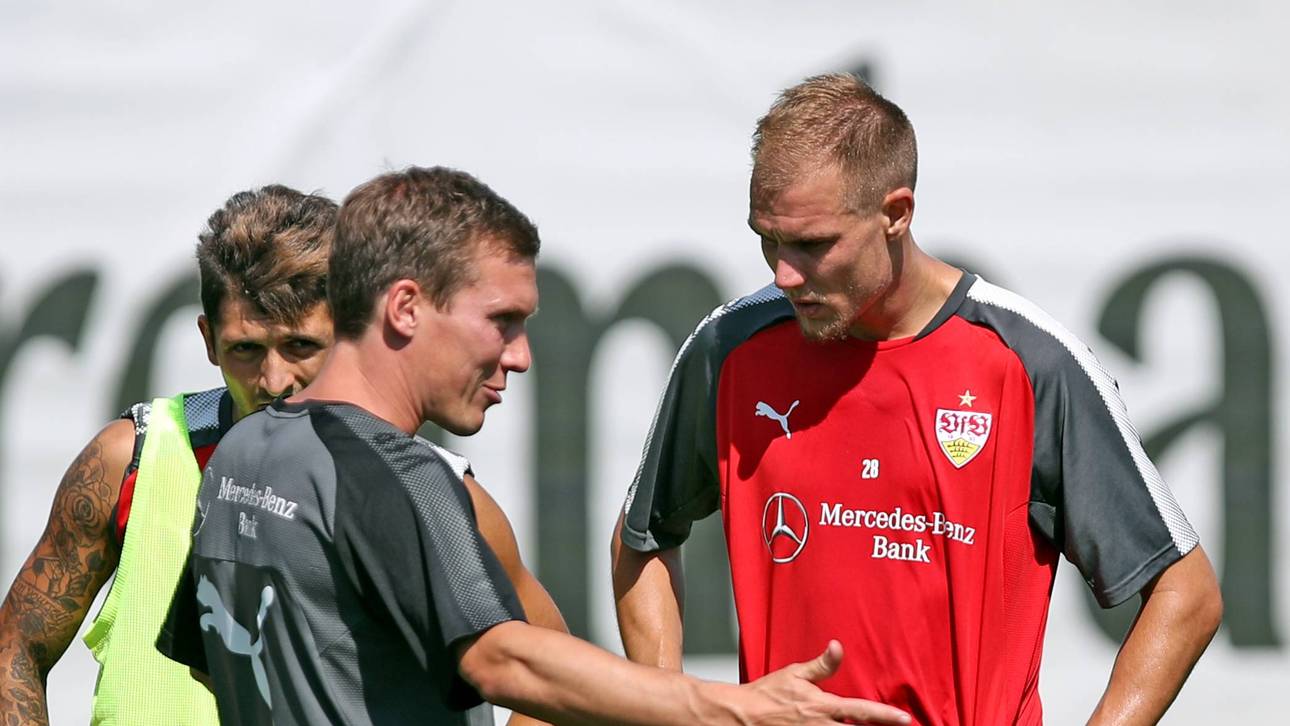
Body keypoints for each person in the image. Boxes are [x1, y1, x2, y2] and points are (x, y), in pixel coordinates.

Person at [156, 165, 911, 726]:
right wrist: (733, 708)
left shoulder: (240, 455)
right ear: (407, 308)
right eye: (502, 321)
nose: (520, 355)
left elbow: (215, 659)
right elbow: (504, 658)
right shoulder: (399, 475)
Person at [611, 74, 1224, 725]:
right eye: (769, 238)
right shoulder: (728, 348)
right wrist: (672, 709)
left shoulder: (1029, 362)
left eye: (813, 245)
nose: (784, 273)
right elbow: (641, 539)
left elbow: (1185, 593)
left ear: (896, 213)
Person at [0, 186, 337, 725]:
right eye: (246, 349)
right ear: (208, 339)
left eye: (300, 346)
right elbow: (15, 646)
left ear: (350, 334)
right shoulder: (131, 457)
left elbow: (489, 673)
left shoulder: (407, 480)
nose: (274, 381)